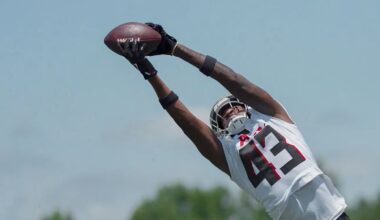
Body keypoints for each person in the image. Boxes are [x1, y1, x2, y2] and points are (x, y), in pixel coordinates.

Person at [113, 23, 349, 220]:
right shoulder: (228, 155)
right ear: (220, 130)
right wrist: (148, 72)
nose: (229, 113)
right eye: (223, 115)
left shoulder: (273, 115)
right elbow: (186, 121)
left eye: (232, 106)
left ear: (246, 106)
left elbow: (234, 80)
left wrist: (174, 48)